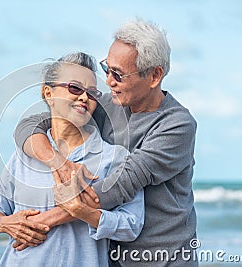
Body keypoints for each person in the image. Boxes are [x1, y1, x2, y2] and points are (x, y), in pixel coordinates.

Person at [14, 19, 198, 266]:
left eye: (118, 74)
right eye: (107, 69)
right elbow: (31, 125)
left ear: (154, 76)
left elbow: (120, 185)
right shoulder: (106, 107)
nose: (109, 81)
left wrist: (38, 223)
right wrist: (56, 161)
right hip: (110, 258)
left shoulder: (177, 124)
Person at [0, 52, 144, 266]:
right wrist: (5, 223)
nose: (84, 97)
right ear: (48, 93)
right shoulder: (24, 154)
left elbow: (131, 224)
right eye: (75, 88)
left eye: (92, 93)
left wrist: (83, 212)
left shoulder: (113, 158)